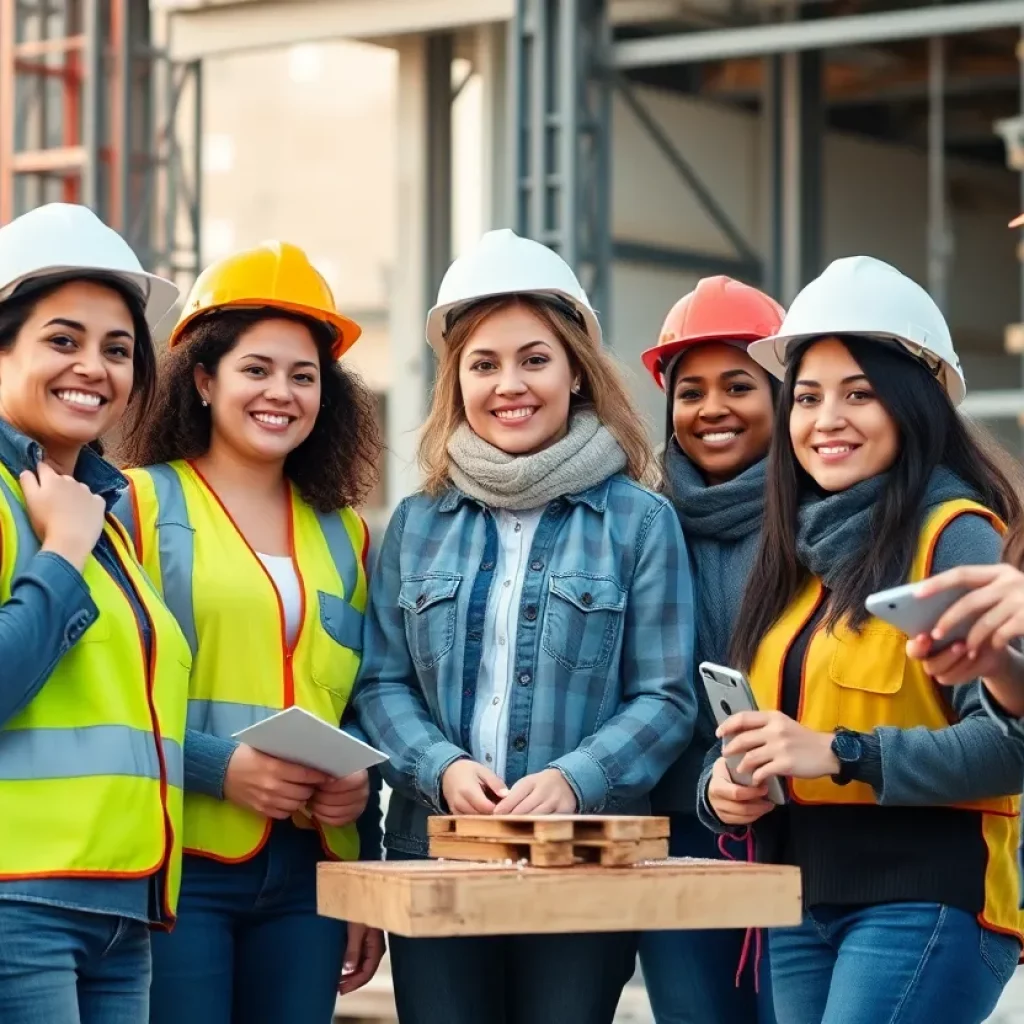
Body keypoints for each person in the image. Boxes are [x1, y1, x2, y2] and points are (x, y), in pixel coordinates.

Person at [353, 228, 697, 1024]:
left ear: (576, 370)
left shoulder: (639, 523)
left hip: (583, 862)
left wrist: (577, 778)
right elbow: (382, 681)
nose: (510, 384)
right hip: (435, 854)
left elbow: (667, 696)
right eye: (484, 363)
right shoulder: (416, 524)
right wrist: (438, 767)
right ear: (458, 381)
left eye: (534, 359)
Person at [698, 255, 1024, 1024]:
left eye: (860, 394)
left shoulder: (957, 537)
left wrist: (841, 753)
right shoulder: (794, 555)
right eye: (806, 397)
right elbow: (762, 733)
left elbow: (1012, 745)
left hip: (928, 899)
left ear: (915, 407)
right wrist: (721, 788)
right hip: (798, 901)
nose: (826, 419)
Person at [113, 241, 386, 1024]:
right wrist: (215, 769)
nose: (282, 393)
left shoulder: (347, 537)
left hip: (308, 873)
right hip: (181, 864)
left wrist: (358, 839)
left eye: (304, 376)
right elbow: (103, 698)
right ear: (204, 379)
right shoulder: (134, 507)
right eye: (256, 369)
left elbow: (361, 703)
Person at [0, 202, 190, 1023]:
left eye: (118, 350)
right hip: (19, 905)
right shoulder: (55, 521)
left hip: (121, 908)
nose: (95, 368)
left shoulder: (101, 513)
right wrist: (60, 556)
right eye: (63, 340)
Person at [636, 277, 782, 1024]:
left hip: (804, 831)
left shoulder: (825, 519)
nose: (713, 408)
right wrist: (706, 783)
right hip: (680, 834)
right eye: (690, 391)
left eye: (738, 385)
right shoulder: (640, 523)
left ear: (781, 395)